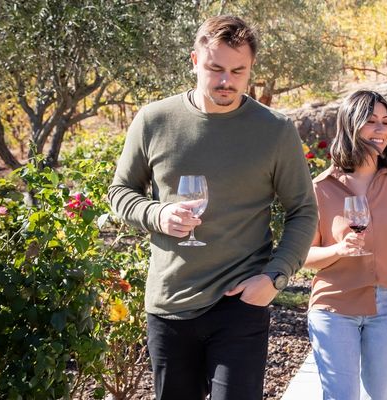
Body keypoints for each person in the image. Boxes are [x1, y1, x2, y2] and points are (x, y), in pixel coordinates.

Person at [107, 15, 318, 400]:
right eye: (215, 68)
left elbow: (303, 209)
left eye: (238, 71)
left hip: (241, 302)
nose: (226, 81)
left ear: (251, 68)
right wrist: (157, 215)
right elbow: (120, 191)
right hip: (170, 302)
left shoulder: (275, 130)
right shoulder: (154, 121)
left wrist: (275, 277)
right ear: (194, 61)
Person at [303, 90, 387, 400]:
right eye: (371, 121)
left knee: (382, 395)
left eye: (386, 122)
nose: (381, 129)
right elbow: (303, 255)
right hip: (334, 305)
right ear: (350, 124)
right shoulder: (320, 188)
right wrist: (338, 250)